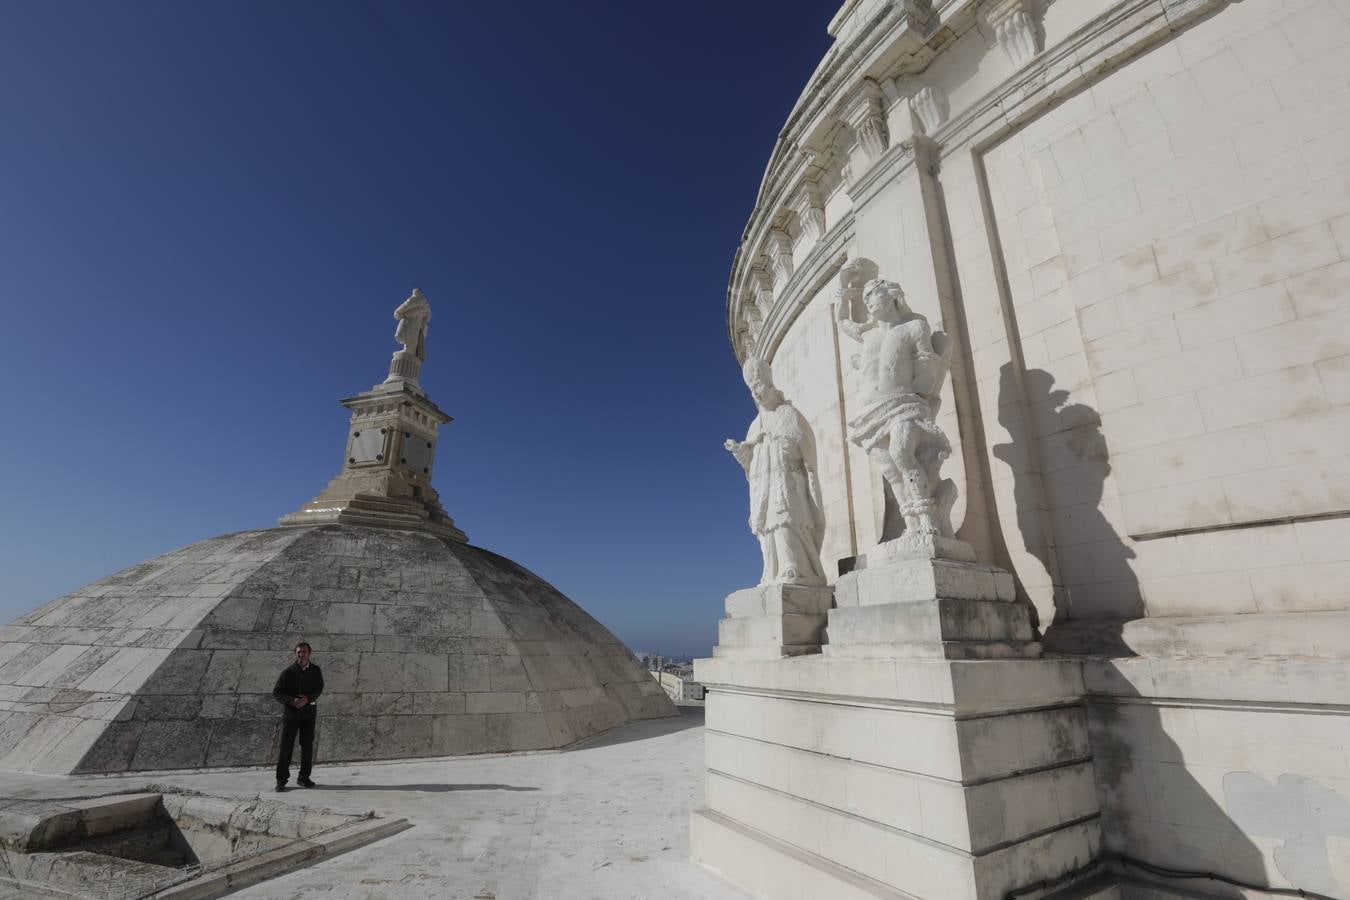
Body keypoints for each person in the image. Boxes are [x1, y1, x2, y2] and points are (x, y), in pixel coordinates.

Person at [725, 356, 826, 586]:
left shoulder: (787, 414)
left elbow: (804, 445)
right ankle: (772, 570)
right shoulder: (754, 424)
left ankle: (794, 567)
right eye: (752, 389)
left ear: (770, 385)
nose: (757, 393)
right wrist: (741, 451)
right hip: (765, 485)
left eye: (759, 386)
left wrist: (782, 441)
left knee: (785, 519)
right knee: (769, 525)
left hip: (787, 479)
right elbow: (751, 464)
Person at [273, 641, 324, 791]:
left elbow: (319, 688)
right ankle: (281, 780)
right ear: (296, 654)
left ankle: (304, 778)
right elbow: (277, 692)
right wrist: (292, 700)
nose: (301, 655)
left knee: (307, 747)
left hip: (308, 715)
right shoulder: (288, 672)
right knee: (286, 747)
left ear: (309, 653)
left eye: (304, 652)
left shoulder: (315, 670)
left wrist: (307, 699)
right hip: (291, 715)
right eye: (299, 652)